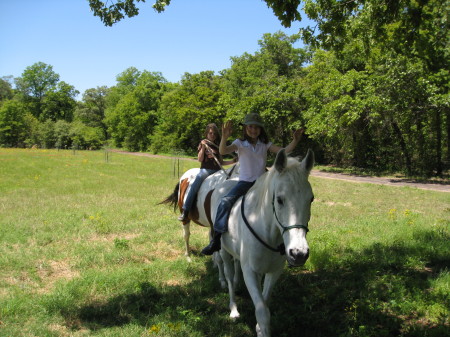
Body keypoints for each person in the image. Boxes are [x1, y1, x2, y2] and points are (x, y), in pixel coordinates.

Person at [201, 113, 304, 255]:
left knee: (280, 204)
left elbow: (283, 151)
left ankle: (283, 241)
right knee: (225, 202)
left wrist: (295, 141)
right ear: (245, 128)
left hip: (262, 183)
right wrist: (224, 137)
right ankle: (217, 239)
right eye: (250, 127)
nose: (253, 130)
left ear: (261, 129)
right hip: (245, 183)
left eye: (256, 127)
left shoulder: (264, 145)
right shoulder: (240, 143)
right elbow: (223, 151)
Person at [178, 123, 236, 221]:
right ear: (206, 134)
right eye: (210, 133)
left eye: (214, 133)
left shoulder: (218, 146)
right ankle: (186, 210)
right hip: (206, 170)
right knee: (196, 182)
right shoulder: (203, 143)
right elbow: (200, 159)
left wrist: (233, 161)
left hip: (218, 171)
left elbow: (221, 162)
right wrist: (203, 147)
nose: (212, 135)